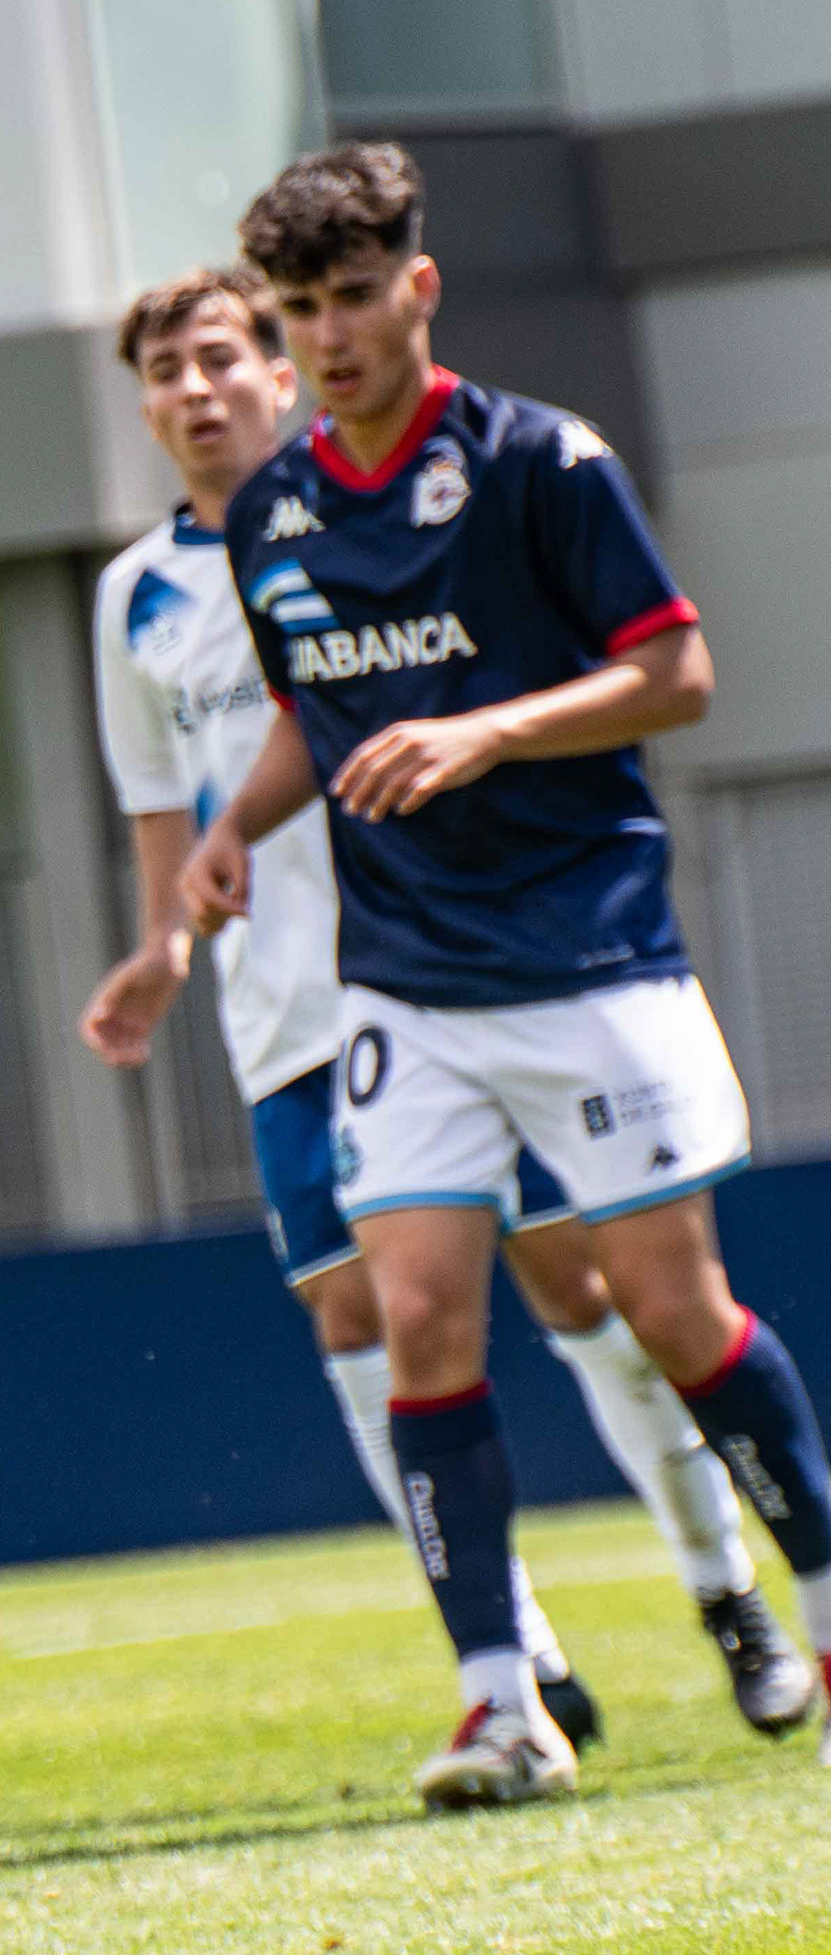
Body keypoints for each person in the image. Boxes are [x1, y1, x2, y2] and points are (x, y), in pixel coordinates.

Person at [186, 144, 831, 1808]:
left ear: (419, 287)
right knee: (416, 1317)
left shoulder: (544, 460)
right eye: (299, 308)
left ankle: (819, 1602)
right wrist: (236, 828)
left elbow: (675, 673)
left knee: (671, 1312)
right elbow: (310, 712)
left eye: (352, 297)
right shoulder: (272, 513)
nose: (328, 335)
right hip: (404, 988)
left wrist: (488, 732)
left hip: (590, 955)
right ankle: (503, 1707)